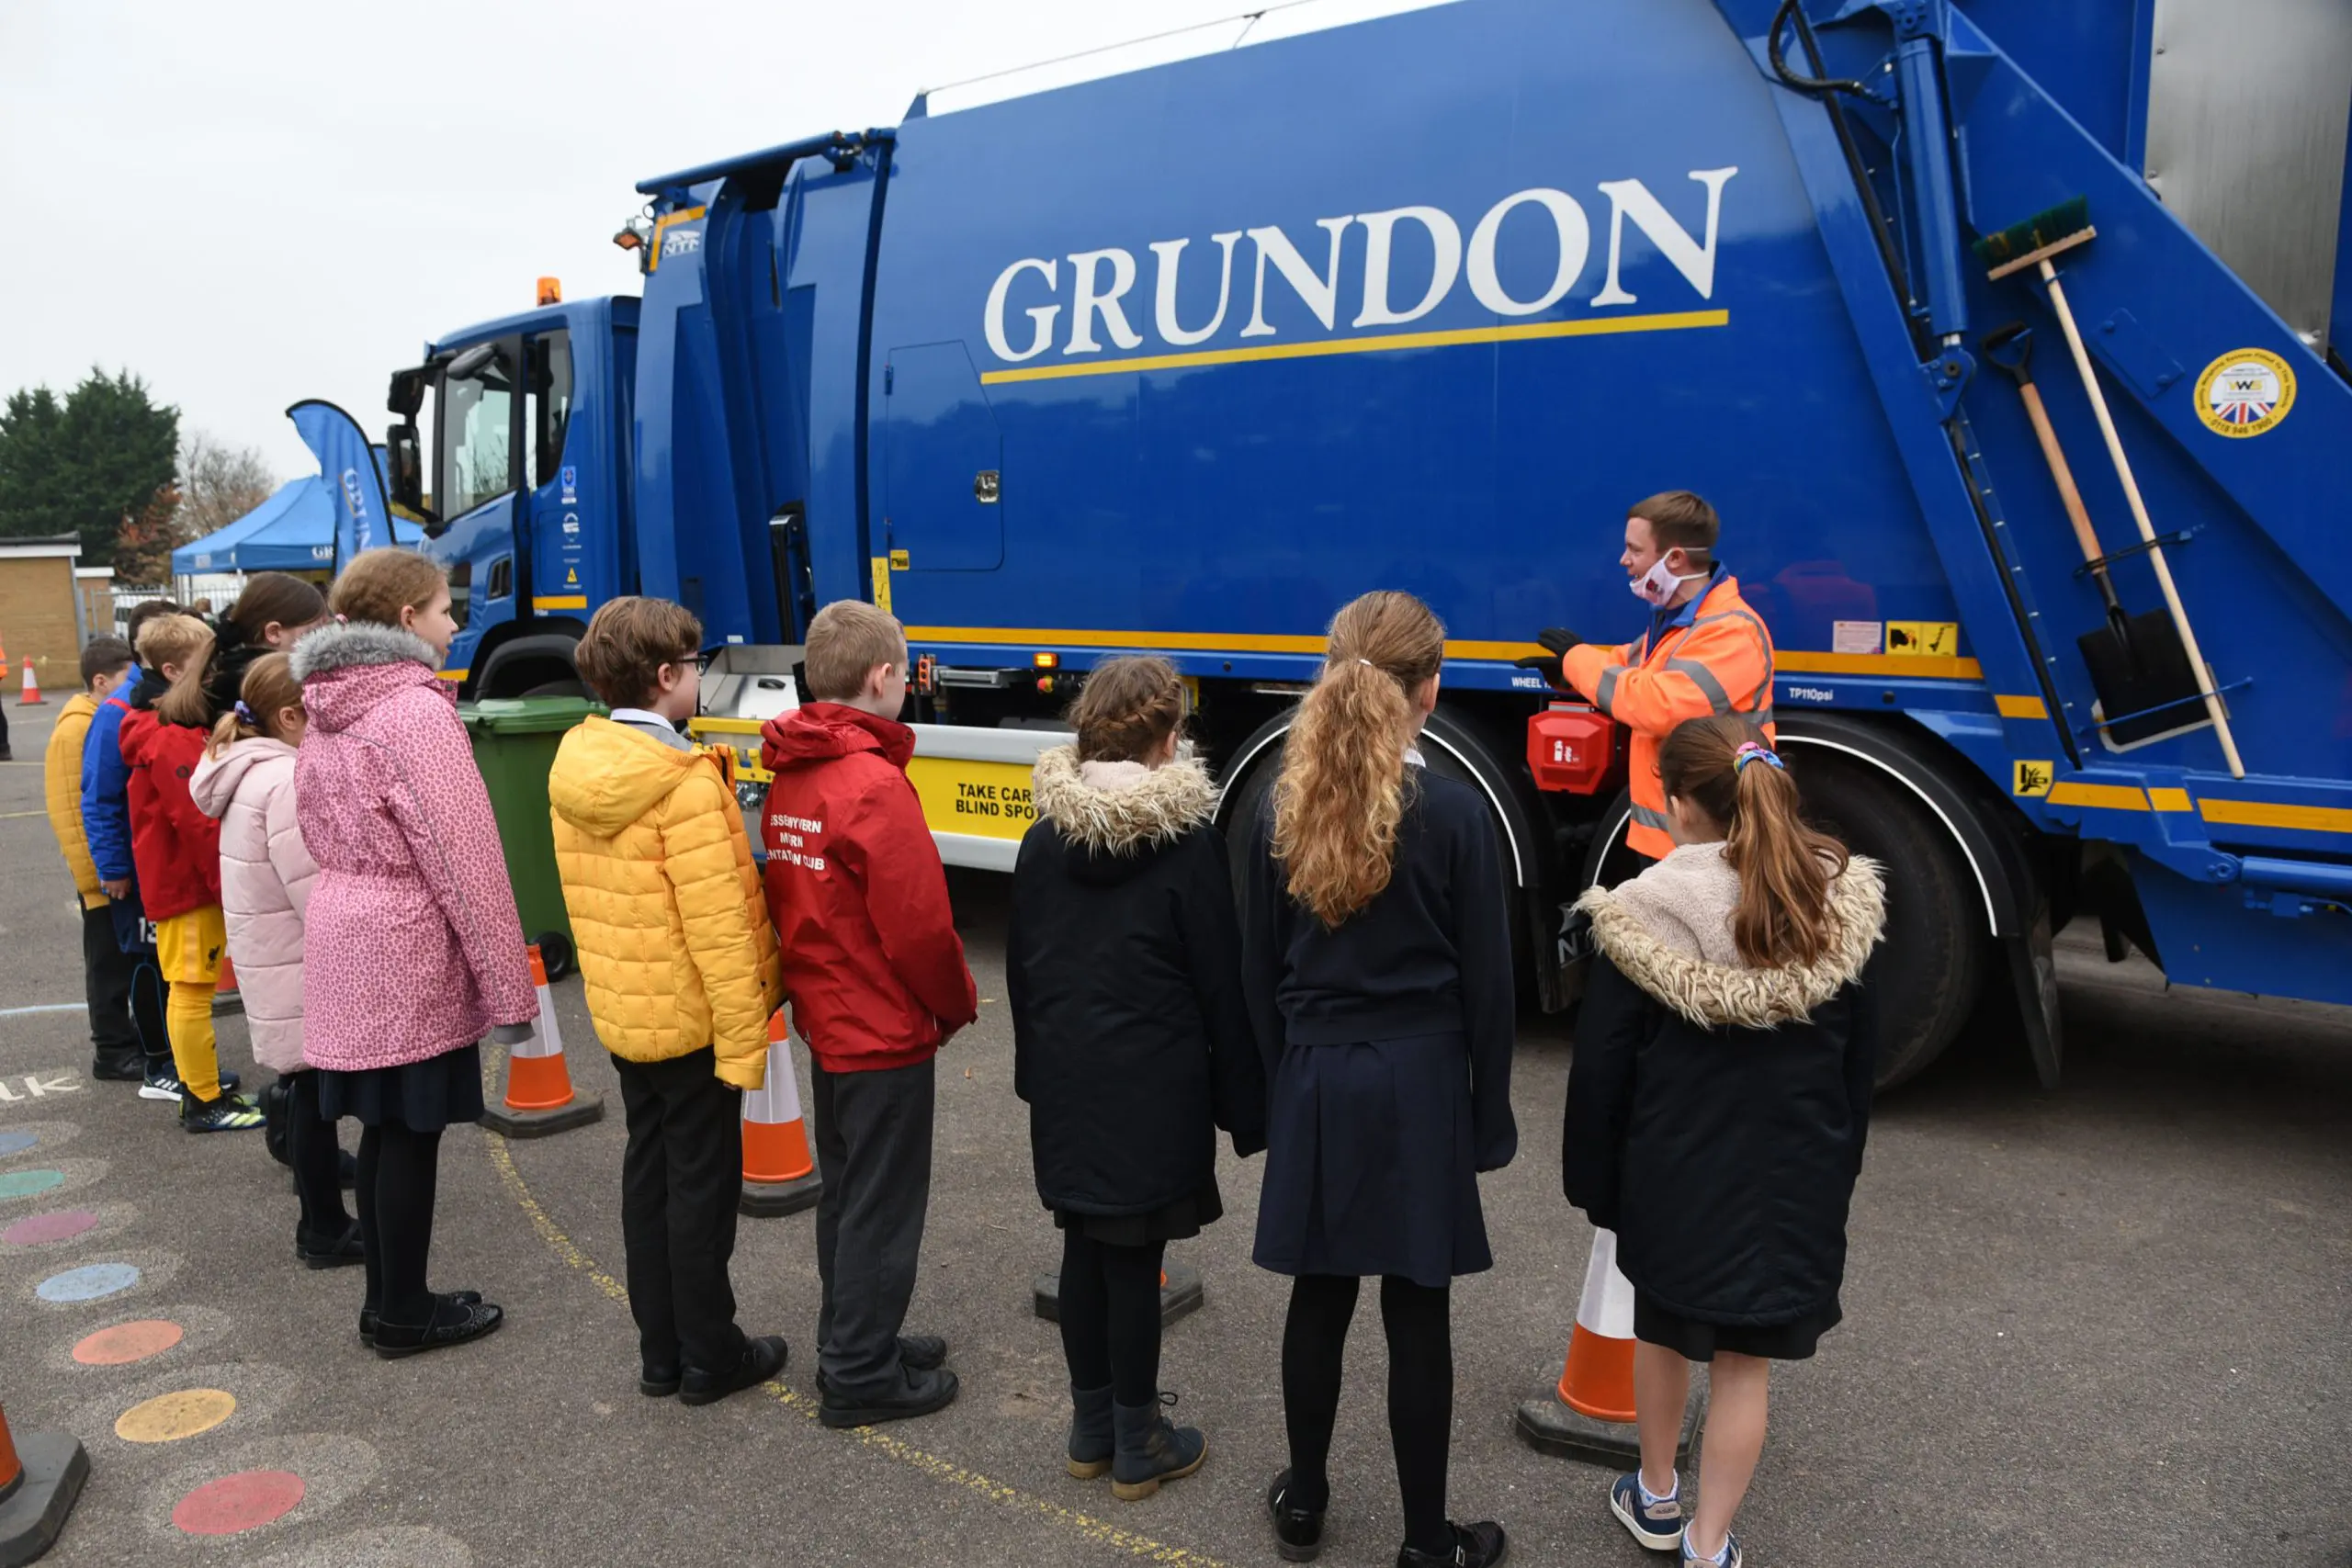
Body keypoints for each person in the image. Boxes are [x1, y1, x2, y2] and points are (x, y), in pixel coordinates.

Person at [1562, 717, 1883, 1568]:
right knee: (1746, 1366)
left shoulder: (1645, 913)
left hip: (1674, 1175)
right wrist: (1837, 1166)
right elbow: (1861, 1064)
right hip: (1794, 1180)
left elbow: (1603, 1072)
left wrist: (1596, 1182)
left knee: (1662, 1333)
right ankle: (1709, 1546)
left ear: (1677, 805)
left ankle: (1657, 1497)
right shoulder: (1833, 898)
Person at [1243, 591, 1517, 1568]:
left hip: (1317, 1078)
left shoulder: (1280, 804)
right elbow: (1491, 984)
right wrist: (1489, 1119)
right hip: (1421, 1081)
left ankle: (1305, 1501)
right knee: (1416, 1307)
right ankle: (1423, 1543)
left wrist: (1281, 1089)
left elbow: (1256, 969)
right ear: (1430, 691)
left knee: (1317, 1298)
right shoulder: (1453, 811)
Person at [1008, 656, 1265, 1500]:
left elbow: (1023, 970)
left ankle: (1091, 1428)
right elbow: (1219, 982)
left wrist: (1035, 1074)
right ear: (1166, 738)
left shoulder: (1044, 838)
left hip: (1071, 1084)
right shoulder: (1187, 843)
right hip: (1155, 1088)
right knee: (1132, 1259)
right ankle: (1138, 1438)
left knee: (1084, 1244)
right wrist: (1245, 1105)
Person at [293, 547, 535, 1359]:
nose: (456, 623)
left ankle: (388, 1299)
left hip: (343, 931)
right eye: (443, 608)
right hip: (403, 944)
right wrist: (510, 991)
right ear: (406, 619)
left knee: (387, 1126)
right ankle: (403, 1310)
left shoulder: (326, 702)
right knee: (411, 1130)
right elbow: (466, 858)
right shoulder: (414, 712)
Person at [551, 597, 788, 1405]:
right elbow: (719, 929)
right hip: (691, 1025)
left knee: (647, 1181)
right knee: (702, 1195)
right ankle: (713, 1353)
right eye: (692, 666)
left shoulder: (578, 762)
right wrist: (744, 1045)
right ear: (664, 677)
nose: (699, 676)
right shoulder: (682, 783)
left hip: (627, 1015)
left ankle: (661, 1352)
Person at [758, 600, 976, 1428]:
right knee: (882, 1202)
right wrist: (953, 1004)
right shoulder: (873, 784)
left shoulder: (795, 771)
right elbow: (920, 925)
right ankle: (858, 1371)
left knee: (849, 1194)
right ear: (882, 677)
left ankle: (854, 1336)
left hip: (830, 1016)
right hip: (882, 1028)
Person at [190, 652, 362, 1266]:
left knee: (305, 1092)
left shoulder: (251, 773)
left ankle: (321, 1220)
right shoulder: (287, 782)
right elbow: (315, 889)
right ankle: (324, 1228)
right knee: (316, 1100)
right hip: (301, 966)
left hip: (276, 960)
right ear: (290, 716)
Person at [1516, 491, 1774, 864]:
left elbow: (1654, 703)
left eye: (1634, 550)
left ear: (1675, 559)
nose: (1624, 561)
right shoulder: (1679, 622)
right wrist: (1568, 674)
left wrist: (1577, 660)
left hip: (1708, 845)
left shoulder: (1732, 632)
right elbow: (1628, 667)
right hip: (1678, 842)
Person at [118, 615, 263, 1133]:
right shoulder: (168, 734)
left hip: (181, 881)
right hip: (187, 885)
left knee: (189, 986)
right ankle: (202, 1099)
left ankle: (199, 1083)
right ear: (174, 669)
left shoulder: (158, 724)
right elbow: (197, 822)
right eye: (204, 669)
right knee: (192, 988)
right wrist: (229, 887)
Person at [82, 598, 190, 1100]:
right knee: (147, 963)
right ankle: (157, 1064)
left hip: (167, 866)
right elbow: (100, 797)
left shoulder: (169, 703)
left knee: (174, 967)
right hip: (137, 868)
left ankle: (179, 1055)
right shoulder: (116, 712)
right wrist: (113, 867)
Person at [46, 636, 146, 1082]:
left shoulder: (96, 719)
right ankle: (112, 1050)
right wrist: (99, 876)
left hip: (110, 868)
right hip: (103, 875)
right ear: (101, 681)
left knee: (124, 962)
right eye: (126, 680)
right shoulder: (78, 727)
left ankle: (129, 1042)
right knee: (108, 968)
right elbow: (76, 808)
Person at [205, 572, 330, 716]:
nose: (322, 641)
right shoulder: (278, 689)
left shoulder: (225, 676)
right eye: (314, 632)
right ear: (274, 633)